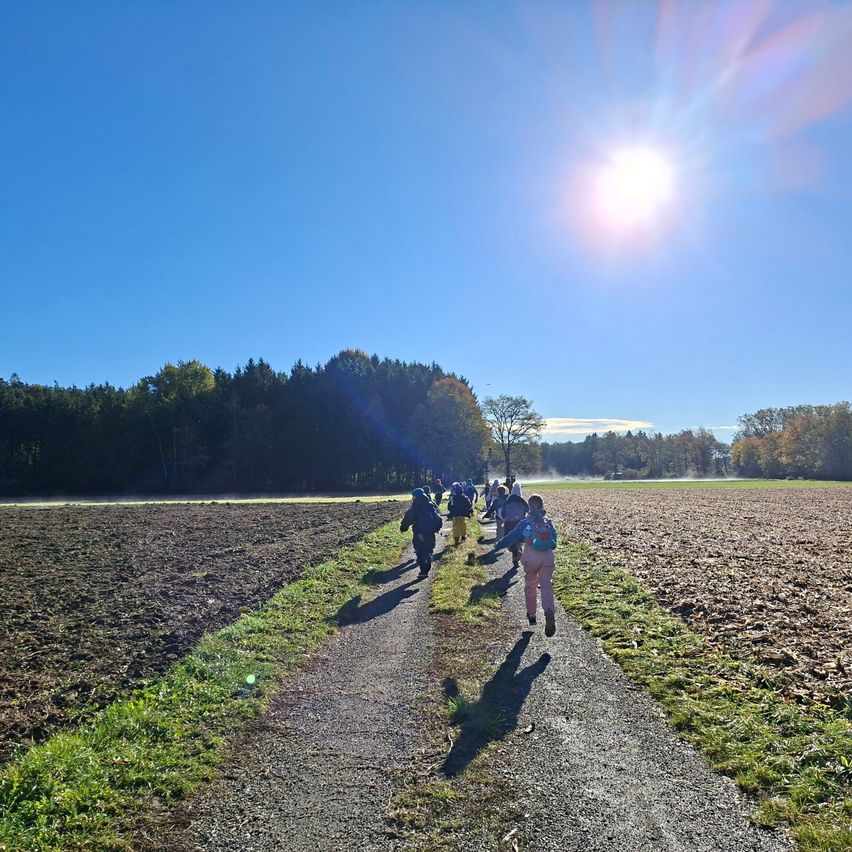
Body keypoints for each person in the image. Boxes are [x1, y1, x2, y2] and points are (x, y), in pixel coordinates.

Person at [494, 494, 558, 636]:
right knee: (546, 585)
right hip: (547, 558)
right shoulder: (548, 522)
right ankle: (549, 611)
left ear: (529, 507)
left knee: (531, 586)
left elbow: (512, 536)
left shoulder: (525, 522)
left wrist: (498, 545)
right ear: (542, 506)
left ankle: (532, 615)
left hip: (531, 558)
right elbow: (555, 542)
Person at [400, 488, 444, 577]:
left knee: (419, 550)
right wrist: (437, 527)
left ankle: (423, 572)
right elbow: (438, 517)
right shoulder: (431, 505)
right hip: (430, 532)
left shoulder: (415, 506)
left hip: (419, 533)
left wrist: (403, 527)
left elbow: (408, 518)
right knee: (428, 548)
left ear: (415, 496)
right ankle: (428, 557)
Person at [501, 482, 529, 569]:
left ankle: (516, 556)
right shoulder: (522, 501)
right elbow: (528, 511)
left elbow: (503, 513)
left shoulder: (508, 500)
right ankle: (516, 558)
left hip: (509, 524)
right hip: (520, 524)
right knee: (519, 543)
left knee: (510, 541)